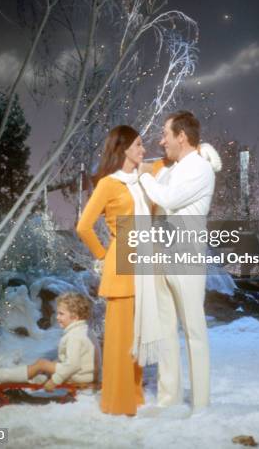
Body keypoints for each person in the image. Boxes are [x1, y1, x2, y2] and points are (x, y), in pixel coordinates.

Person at [76, 125, 162, 416]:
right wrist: (103, 255)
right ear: (124, 148)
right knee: (120, 338)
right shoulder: (108, 184)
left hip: (144, 261)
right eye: (138, 145)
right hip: (122, 257)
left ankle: (134, 395)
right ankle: (116, 400)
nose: (143, 149)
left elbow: (169, 164)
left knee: (136, 335)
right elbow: (83, 226)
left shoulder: (141, 179)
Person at [138, 111, 217, 410]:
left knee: (194, 331)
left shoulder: (200, 169)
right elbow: (155, 181)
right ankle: (168, 399)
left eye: (165, 135)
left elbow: (167, 199)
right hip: (162, 257)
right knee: (165, 331)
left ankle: (200, 404)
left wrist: (145, 176)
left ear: (181, 136)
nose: (161, 141)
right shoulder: (173, 168)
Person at [0, 292, 99, 390]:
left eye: (61, 314)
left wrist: (55, 380)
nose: (57, 317)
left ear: (74, 317)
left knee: (41, 364)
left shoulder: (75, 336)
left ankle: (1, 376)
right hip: (87, 373)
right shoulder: (83, 330)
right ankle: (39, 377)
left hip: (80, 376)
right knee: (52, 362)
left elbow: (72, 365)